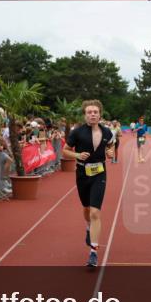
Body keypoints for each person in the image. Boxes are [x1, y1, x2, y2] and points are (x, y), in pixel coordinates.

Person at [64, 100, 115, 268]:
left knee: (95, 213)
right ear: (85, 115)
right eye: (89, 112)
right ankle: (88, 227)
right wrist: (77, 155)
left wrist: (110, 152)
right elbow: (64, 151)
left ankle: (93, 251)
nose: (92, 114)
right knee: (86, 209)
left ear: (100, 114)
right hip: (82, 174)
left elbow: (111, 147)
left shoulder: (107, 131)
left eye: (95, 112)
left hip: (100, 174)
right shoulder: (77, 132)